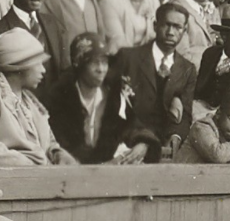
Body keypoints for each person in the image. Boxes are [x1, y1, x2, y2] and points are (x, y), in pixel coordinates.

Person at [107, 2, 199, 160]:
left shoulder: (187, 69)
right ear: (155, 25)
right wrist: (142, 140)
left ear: (184, 31)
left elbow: (185, 115)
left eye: (177, 27)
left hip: (164, 148)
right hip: (127, 142)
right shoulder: (128, 58)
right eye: (166, 25)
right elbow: (114, 109)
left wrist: (175, 136)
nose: (171, 32)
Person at [43, 34, 154, 164]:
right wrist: (104, 166)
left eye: (105, 62)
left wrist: (142, 143)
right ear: (79, 64)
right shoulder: (60, 100)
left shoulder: (113, 95)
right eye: (95, 63)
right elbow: (62, 146)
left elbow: (132, 125)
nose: (101, 69)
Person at [0, 30, 73, 166]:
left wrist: (57, 153)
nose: (43, 70)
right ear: (20, 66)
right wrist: (27, 165)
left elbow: (47, 141)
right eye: (38, 63)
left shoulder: (30, 101)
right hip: (13, 180)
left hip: (41, 177)